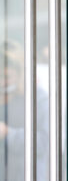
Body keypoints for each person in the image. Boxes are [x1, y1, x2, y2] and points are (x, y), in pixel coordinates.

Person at [0, 41, 49, 181]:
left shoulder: (38, 98)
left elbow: (44, 142)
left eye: (7, 77)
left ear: (21, 73)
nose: (2, 83)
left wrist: (8, 133)